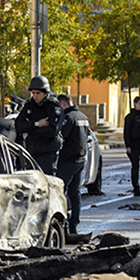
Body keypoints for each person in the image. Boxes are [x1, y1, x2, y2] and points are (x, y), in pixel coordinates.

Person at [14, 75, 62, 176]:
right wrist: (37, 124)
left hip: (48, 153)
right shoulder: (30, 105)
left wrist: (30, 128)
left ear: (45, 92)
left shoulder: (54, 107)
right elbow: (18, 125)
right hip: (32, 150)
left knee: (47, 182)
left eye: (38, 93)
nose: (35, 96)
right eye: (33, 93)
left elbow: (52, 131)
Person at [56, 94, 90, 234]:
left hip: (68, 161)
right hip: (80, 160)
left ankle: (63, 223)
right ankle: (74, 224)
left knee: (60, 192)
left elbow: (61, 137)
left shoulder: (69, 118)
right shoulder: (83, 117)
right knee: (75, 193)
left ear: (63, 104)